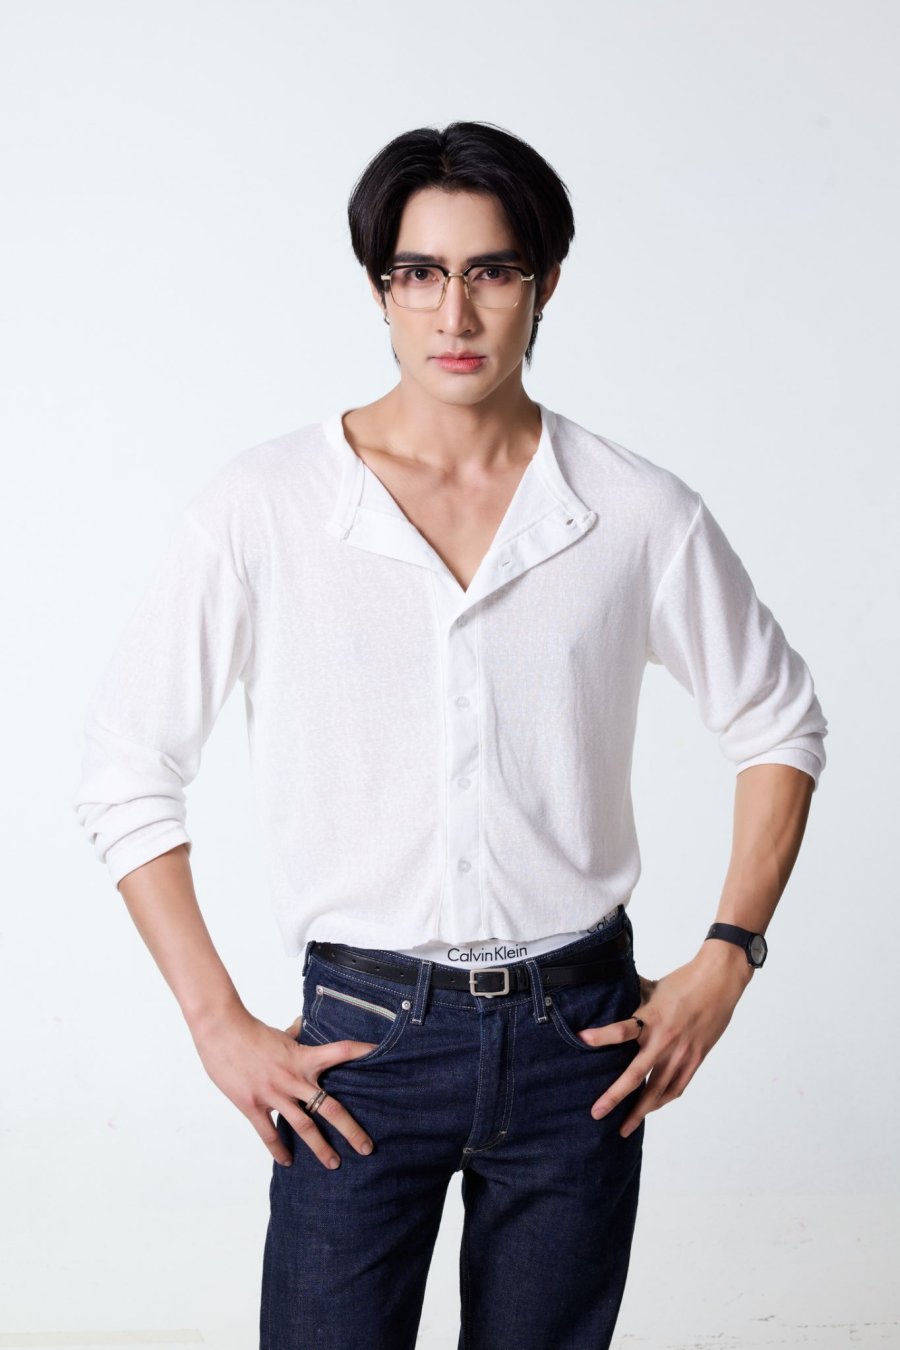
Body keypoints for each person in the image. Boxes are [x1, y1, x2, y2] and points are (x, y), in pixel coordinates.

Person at [72, 120, 828, 1350]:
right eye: (419, 273)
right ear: (379, 289)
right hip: (358, 1047)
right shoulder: (265, 508)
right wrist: (218, 1024)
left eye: (492, 271)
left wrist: (726, 960)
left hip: (580, 1038)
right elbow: (126, 771)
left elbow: (779, 721)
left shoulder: (636, 511)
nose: (455, 313)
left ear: (546, 283)